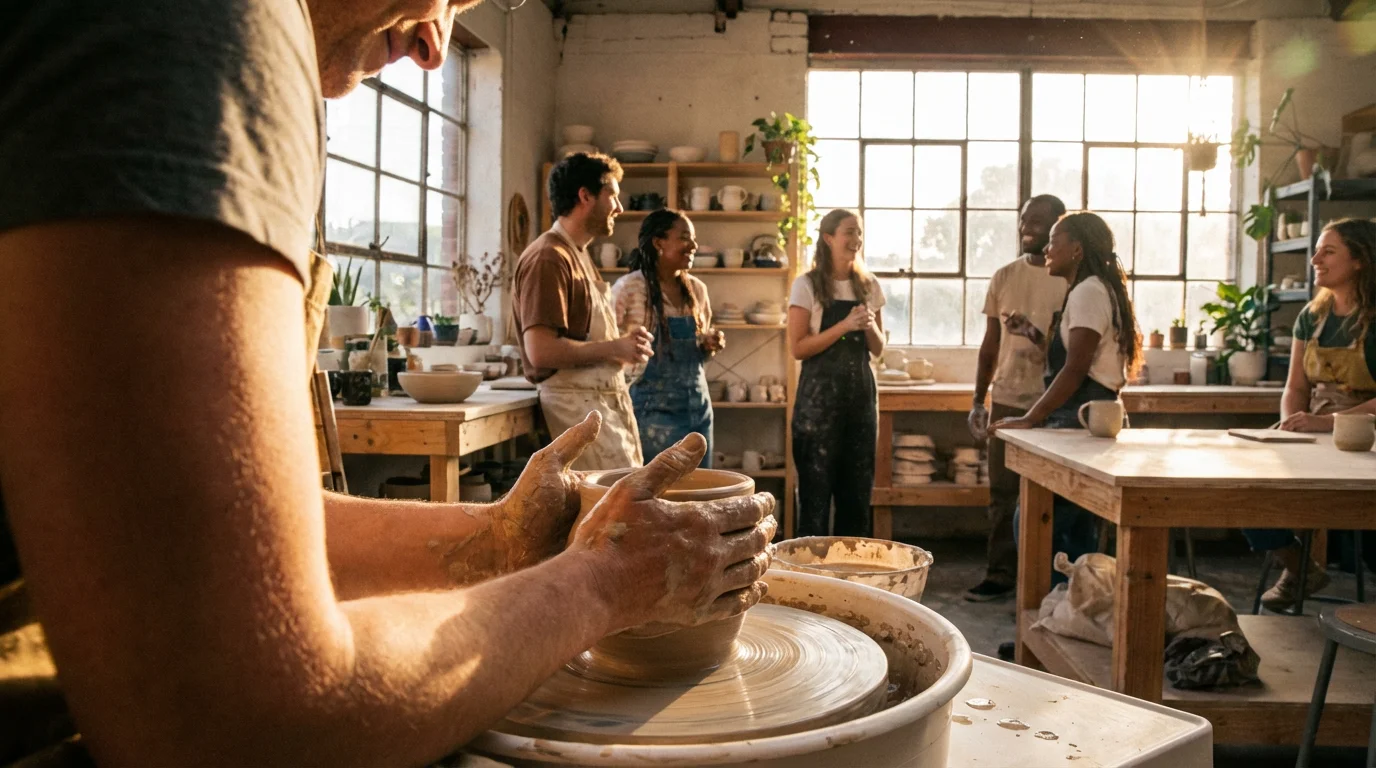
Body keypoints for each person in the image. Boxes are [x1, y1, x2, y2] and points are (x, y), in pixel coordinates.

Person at [0, 2, 777, 765]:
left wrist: (502, 538)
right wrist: (601, 587)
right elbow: (240, 724)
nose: (438, 44)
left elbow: (202, 531)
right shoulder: (200, 27)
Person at [990, 211, 1143, 577]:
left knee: (1041, 527)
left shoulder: (1089, 292)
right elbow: (1077, 359)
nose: (1046, 248)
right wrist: (1033, 334)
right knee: (1067, 532)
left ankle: (1056, 620)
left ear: (1076, 249)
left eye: (1054, 241)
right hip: (1083, 418)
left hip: (1078, 420)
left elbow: (1075, 370)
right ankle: (1063, 621)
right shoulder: (1090, 289)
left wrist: (1031, 417)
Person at [1245, 218, 1376, 611]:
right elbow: (1296, 388)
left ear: (1359, 260)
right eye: (1317, 250)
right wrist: (1290, 423)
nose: (1315, 258)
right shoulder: (1312, 316)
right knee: (1243, 480)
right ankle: (1299, 564)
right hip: (1314, 422)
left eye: (1328, 251)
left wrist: (1328, 423)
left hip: (1366, 431)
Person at [514, 152, 654, 471]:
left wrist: (623, 347)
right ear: (585, 196)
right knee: (608, 514)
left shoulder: (577, 254)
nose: (619, 208)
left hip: (597, 403)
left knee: (622, 509)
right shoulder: (549, 257)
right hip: (574, 407)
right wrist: (615, 347)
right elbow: (541, 351)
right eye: (613, 197)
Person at [965, 194, 1068, 602]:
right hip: (1007, 398)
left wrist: (1033, 334)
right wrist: (979, 399)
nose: (1027, 228)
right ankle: (1002, 574)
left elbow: (1071, 354)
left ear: (1059, 226)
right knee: (1003, 495)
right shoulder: (1004, 276)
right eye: (1024, 220)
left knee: (1056, 497)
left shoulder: (1068, 279)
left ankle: (1053, 582)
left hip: (1054, 402)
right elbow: (990, 345)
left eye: (1039, 222)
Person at [788, 209, 885, 538]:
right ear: (829, 238)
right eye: (849, 232)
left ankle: (853, 582)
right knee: (815, 498)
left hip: (860, 404)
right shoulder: (807, 285)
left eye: (859, 233)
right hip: (818, 405)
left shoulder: (868, 285)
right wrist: (844, 326)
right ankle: (809, 583)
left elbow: (878, 348)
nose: (856, 240)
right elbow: (799, 348)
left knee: (856, 497)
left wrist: (869, 325)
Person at [611, 209, 725, 465]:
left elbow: (698, 355)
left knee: (698, 496)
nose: (693, 245)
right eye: (684, 237)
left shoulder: (697, 290)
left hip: (697, 412)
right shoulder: (629, 288)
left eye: (693, 238)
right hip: (649, 415)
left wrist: (708, 345)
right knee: (655, 496)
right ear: (658, 242)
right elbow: (607, 349)